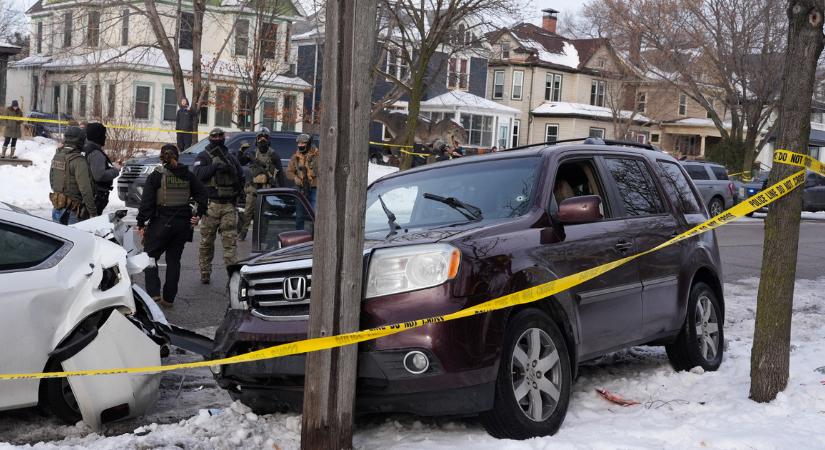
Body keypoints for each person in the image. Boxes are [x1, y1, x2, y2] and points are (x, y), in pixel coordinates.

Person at [136, 144, 208, 308]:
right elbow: (203, 195)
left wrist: (141, 222)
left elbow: (147, 203)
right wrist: (198, 214)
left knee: (150, 257)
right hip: (182, 224)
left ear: (161, 158)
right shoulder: (188, 175)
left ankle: (154, 294)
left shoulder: (156, 176)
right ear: (178, 156)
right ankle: (169, 298)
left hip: (161, 223)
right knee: (174, 261)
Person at [193, 128, 244, 284]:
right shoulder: (203, 156)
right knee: (207, 242)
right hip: (210, 206)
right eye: (214, 136)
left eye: (220, 136)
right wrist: (214, 167)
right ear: (210, 138)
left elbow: (240, 179)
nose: (218, 138)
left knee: (230, 244)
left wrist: (230, 170)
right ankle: (205, 272)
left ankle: (233, 276)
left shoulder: (230, 157)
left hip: (228, 205)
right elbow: (198, 175)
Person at [238, 128, 286, 241]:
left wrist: (282, 190)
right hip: (253, 189)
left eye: (265, 137)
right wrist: (241, 151)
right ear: (256, 139)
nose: (262, 139)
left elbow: (280, 174)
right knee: (247, 213)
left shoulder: (273, 155)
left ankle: (261, 238)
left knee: (264, 216)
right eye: (260, 137)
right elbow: (240, 162)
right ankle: (242, 235)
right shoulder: (252, 154)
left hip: (267, 189)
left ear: (269, 140)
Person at [48, 126, 98, 224]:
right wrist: (93, 213)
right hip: (72, 213)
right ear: (80, 140)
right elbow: (85, 189)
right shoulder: (78, 160)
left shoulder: (57, 156)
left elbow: (52, 180)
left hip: (57, 208)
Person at [84, 122, 120, 213]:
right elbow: (100, 175)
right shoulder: (95, 152)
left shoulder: (86, 147)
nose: (105, 137)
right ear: (98, 136)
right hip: (95, 195)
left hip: (89, 193)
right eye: (103, 135)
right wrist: (115, 170)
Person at [287, 133, 319, 230]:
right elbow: (288, 172)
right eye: (299, 143)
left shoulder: (317, 155)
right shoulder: (295, 157)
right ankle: (299, 236)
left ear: (308, 144)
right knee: (299, 216)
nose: (300, 145)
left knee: (315, 214)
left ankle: (316, 236)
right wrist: (296, 178)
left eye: (303, 143)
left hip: (314, 188)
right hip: (300, 188)